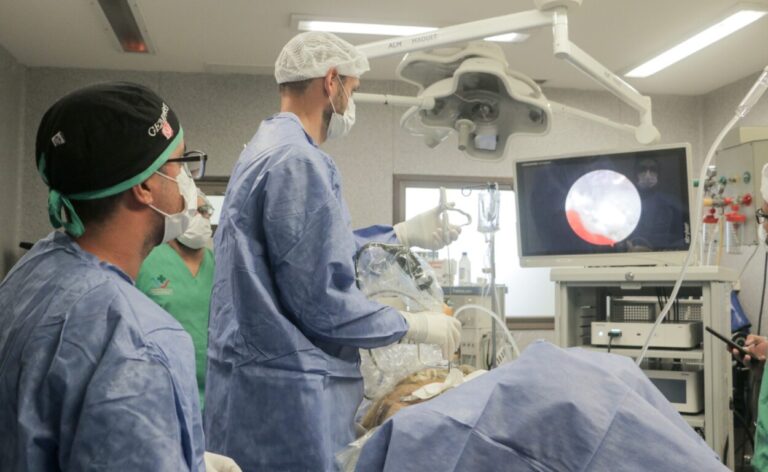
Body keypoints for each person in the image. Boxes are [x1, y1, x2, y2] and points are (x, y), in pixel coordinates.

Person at [204, 31, 462, 471]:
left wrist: (399, 233)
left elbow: (305, 253)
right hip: (290, 396)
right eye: (354, 89)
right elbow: (322, 300)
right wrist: (415, 325)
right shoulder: (299, 161)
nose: (351, 102)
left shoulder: (263, 149)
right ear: (331, 82)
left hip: (252, 384)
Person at [0, 82, 238, 471]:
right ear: (144, 185)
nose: (188, 181)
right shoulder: (137, 341)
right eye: (179, 163)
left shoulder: (34, 271)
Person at [137, 191, 215, 408]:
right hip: (159, 393)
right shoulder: (145, 262)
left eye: (206, 211)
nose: (202, 217)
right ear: (175, 216)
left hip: (214, 396)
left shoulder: (220, 266)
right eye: (195, 211)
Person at [625, 156, 687, 251]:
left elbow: (682, 238)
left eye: (653, 169)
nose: (648, 175)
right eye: (642, 169)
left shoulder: (671, 203)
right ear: (635, 173)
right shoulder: (624, 202)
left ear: (659, 174)